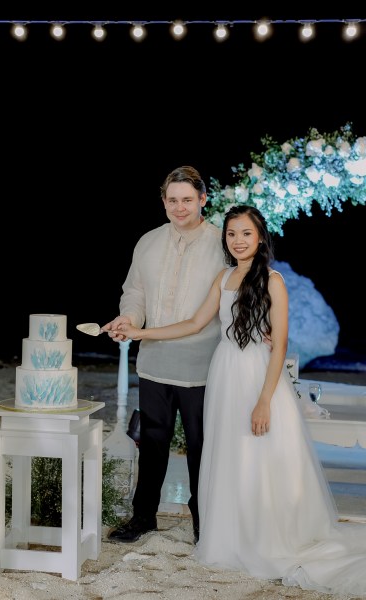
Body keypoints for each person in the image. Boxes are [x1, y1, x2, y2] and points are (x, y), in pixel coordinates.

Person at [113, 205, 366, 597]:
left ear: (260, 237)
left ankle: (264, 537)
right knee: (229, 455)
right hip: (225, 373)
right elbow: (195, 324)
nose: (238, 240)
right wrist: (140, 333)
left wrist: (265, 400)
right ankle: (231, 536)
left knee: (259, 457)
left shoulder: (274, 281)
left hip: (258, 378)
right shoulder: (224, 276)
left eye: (246, 233)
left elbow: (279, 344)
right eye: (232, 234)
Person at [102, 165, 227, 544]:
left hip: (203, 366)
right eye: (172, 200)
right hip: (155, 361)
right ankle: (144, 517)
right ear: (163, 201)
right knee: (152, 443)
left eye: (187, 199)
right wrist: (128, 317)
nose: (180, 207)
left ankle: (205, 520)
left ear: (203, 199)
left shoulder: (222, 243)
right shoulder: (148, 242)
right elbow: (134, 292)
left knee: (202, 448)